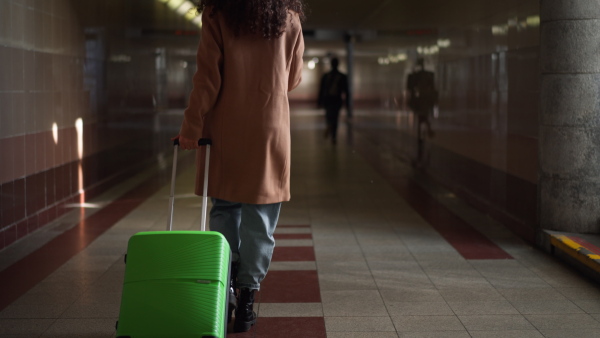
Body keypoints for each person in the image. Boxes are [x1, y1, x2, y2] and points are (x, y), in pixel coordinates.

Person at [172, 0, 305, 333]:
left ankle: (223, 285)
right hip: (269, 128)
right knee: (260, 215)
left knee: (225, 206)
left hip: (225, 128)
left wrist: (191, 125)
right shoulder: (289, 19)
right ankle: (247, 297)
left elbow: (207, 76)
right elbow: (293, 79)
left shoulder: (218, 14)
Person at [318, 57, 349, 144]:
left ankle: (330, 128)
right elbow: (346, 91)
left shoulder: (326, 76)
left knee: (330, 116)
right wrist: (347, 103)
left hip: (329, 100)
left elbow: (321, 90)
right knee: (334, 118)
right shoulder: (342, 76)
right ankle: (333, 135)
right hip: (335, 100)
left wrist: (319, 101)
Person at [406, 58, 437, 141]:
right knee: (423, 114)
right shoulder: (427, 75)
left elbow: (410, 87)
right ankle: (427, 127)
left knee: (422, 114)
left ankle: (427, 127)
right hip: (423, 99)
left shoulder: (418, 76)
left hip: (421, 99)